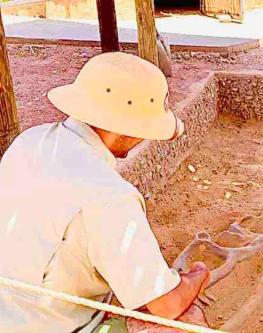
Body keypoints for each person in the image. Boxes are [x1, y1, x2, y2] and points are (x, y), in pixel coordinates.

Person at [0, 52, 209, 333]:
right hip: (48, 326)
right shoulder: (110, 197)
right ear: (128, 127)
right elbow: (166, 305)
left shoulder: (29, 140)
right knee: (184, 319)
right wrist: (196, 277)